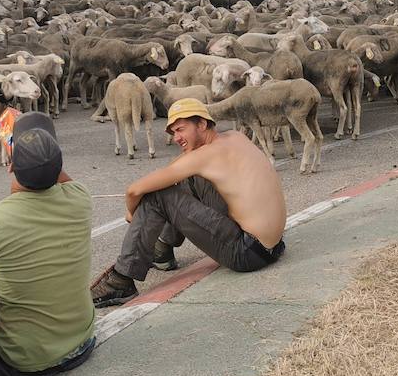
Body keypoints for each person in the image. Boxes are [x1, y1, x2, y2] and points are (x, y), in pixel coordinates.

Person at [0, 112, 97, 376]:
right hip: (81, 345)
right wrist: (37, 151)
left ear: (10, 166)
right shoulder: (81, 197)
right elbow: (59, 174)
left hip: (24, 364)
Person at [90, 99, 288, 308]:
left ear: (202, 124)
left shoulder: (205, 156)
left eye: (181, 129)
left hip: (247, 254)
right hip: (273, 247)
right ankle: (162, 252)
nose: (176, 138)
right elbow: (175, 169)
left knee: (157, 196)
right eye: (173, 132)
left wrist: (132, 214)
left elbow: (134, 190)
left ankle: (121, 280)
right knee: (185, 178)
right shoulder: (235, 137)